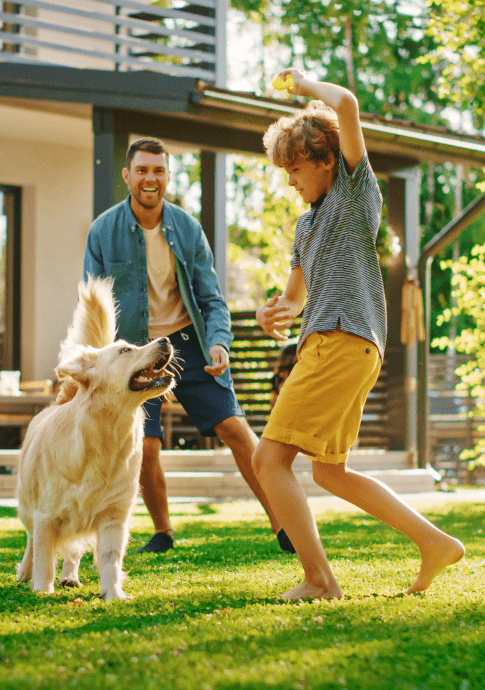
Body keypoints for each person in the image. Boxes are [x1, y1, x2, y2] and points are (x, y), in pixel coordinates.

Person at [252, 69, 465, 600]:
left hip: (340, 340)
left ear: (326, 160)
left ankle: (320, 580)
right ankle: (434, 542)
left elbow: (345, 104)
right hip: (339, 343)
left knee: (268, 460)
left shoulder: (353, 193)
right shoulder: (305, 225)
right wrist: (271, 313)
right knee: (329, 473)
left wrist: (303, 87)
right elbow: (294, 297)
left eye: (297, 168)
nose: (291, 180)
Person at [84, 137, 294, 554]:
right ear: (127, 176)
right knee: (143, 446)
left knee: (235, 430)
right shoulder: (102, 231)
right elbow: (92, 309)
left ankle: (285, 525)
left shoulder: (187, 228)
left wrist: (219, 342)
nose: (150, 178)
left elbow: (212, 298)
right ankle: (163, 532)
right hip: (136, 352)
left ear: (167, 177)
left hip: (187, 341)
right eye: (142, 170)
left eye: (158, 170)